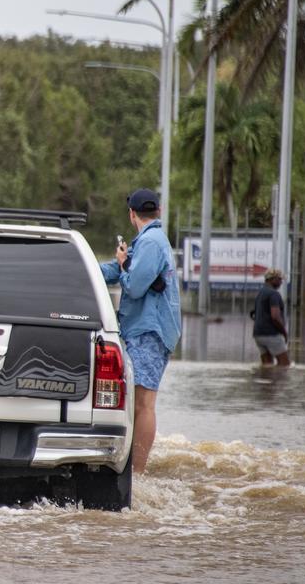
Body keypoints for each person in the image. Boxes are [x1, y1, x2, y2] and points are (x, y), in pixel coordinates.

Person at [100, 188, 181, 475]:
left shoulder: (151, 242)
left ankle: (137, 474)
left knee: (144, 404)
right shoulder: (148, 241)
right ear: (158, 211)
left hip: (150, 331)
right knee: (136, 401)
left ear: (132, 214)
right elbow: (115, 271)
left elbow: (133, 285)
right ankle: (132, 469)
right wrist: (82, 267)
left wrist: (123, 263)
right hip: (144, 329)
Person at [252, 268, 291, 367]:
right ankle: (278, 383)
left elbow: (255, 314)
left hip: (258, 335)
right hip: (271, 334)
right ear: (271, 279)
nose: (281, 282)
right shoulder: (274, 294)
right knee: (285, 366)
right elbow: (275, 317)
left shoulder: (260, 293)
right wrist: (284, 333)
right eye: (279, 279)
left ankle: (265, 382)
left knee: (267, 366)